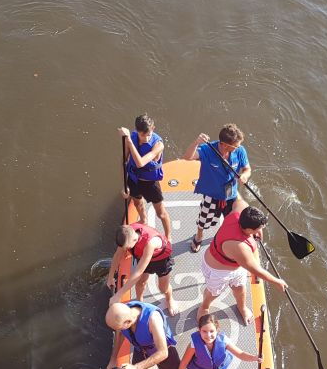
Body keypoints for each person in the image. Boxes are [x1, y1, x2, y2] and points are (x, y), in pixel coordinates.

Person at [198, 198, 287, 324]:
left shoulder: (238, 212)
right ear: (249, 230)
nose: (261, 231)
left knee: (240, 288)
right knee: (213, 293)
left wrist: (258, 229)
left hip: (235, 268)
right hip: (218, 270)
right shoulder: (240, 247)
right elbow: (254, 269)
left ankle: (242, 307)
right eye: (258, 228)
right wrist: (276, 281)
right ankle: (204, 307)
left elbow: (238, 201)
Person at [182, 123, 251, 253]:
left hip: (231, 193)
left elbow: (247, 169)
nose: (238, 148)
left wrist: (245, 175)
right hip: (211, 194)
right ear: (225, 144)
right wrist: (196, 142)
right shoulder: (208, 150)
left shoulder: (240, 150)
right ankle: (198, 237)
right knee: (204, 219)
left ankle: (225, 239)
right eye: (235, 146)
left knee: (232, 220)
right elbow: (187, 157)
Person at [176, 314, 261, 369]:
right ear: (199, 330)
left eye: (212, 331)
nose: (208, 335)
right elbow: (183, 363)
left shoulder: (224, 340)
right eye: (204, 331)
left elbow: (241, 354)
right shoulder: (194, 344)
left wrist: (254, 358)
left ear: (217, 330)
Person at [105, 301, 180, 369]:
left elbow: (163, 352)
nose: (118, 330)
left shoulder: (153, 319)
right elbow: (120, 334)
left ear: (128, 322)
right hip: (141, 346)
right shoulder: (124, 316)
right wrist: (113, 359)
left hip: (161, 349)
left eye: (119, 328)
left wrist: (135, 368)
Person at [120, 114, 172, 241]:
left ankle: (168, 236)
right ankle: (143, 220)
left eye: (148, 134)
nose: (146, 138)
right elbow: (124, 161)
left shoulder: (158, 144)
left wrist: (129, 141)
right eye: (142, 135)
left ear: (153, 128)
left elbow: (140, 162)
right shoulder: (131, 138)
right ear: (137, 131)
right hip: (134, 179)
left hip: (150, 183)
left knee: (161, 213)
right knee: (137, 202)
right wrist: (124, 184)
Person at [107, 222, 176, 315]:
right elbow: (117, 254)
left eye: (127, 247)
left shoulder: (150, 243)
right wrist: (110, 277)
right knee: (141, 283)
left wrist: (118, 294)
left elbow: (138, 272)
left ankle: (169, 298)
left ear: (134, 240)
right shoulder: (127, 234)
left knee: (163, 288)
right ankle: (140, 302)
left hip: (161, 261)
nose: (125, 249)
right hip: (142, 256)